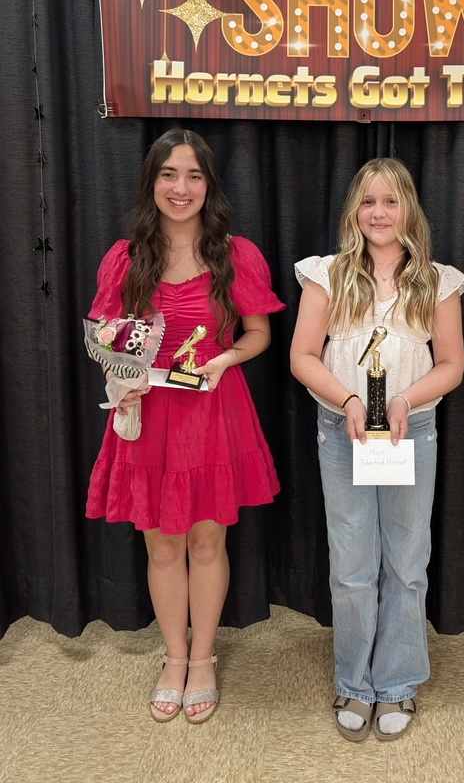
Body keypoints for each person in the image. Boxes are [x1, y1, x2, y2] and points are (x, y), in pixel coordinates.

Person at [85, 128, 285, 724]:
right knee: (163, 543)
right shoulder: (124, 256)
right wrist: (124, 364)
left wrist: (225, 360)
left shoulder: (236, 253)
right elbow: (101, 334)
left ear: (209, 185)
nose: (181, 187)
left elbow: (259, 334)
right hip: (146, 417)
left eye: (193, 175)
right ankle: (173, 659)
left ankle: (203, 661)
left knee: (206, 540)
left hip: (213, 414)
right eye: (169, 174)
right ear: (152, 182)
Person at [290, 157, 464, 742]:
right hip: (342, 434)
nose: (379, 213)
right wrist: (347, 402)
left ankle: (397, 682)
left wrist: (405, 401)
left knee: (407, 563)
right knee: (353, 567)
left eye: (391, 201)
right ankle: (354, 681)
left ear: (408, 208)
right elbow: (303, 357)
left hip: (410, 432)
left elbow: (451, 366)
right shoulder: (326, 275)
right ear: (354, 211)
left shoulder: (439, 280)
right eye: (368, 202)